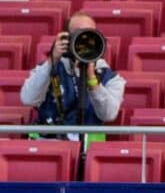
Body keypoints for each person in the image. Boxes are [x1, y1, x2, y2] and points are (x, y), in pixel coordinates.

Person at [20, 11, 125, 142]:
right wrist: (52, 62)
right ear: (66, 39)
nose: (84, 39)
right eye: (78, 34)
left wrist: (92, 78)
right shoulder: (48, 69)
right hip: (50, 146)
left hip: (89, 150)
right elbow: (28, 99)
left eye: (89, 34)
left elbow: (108, 114)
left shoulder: (110, 78)